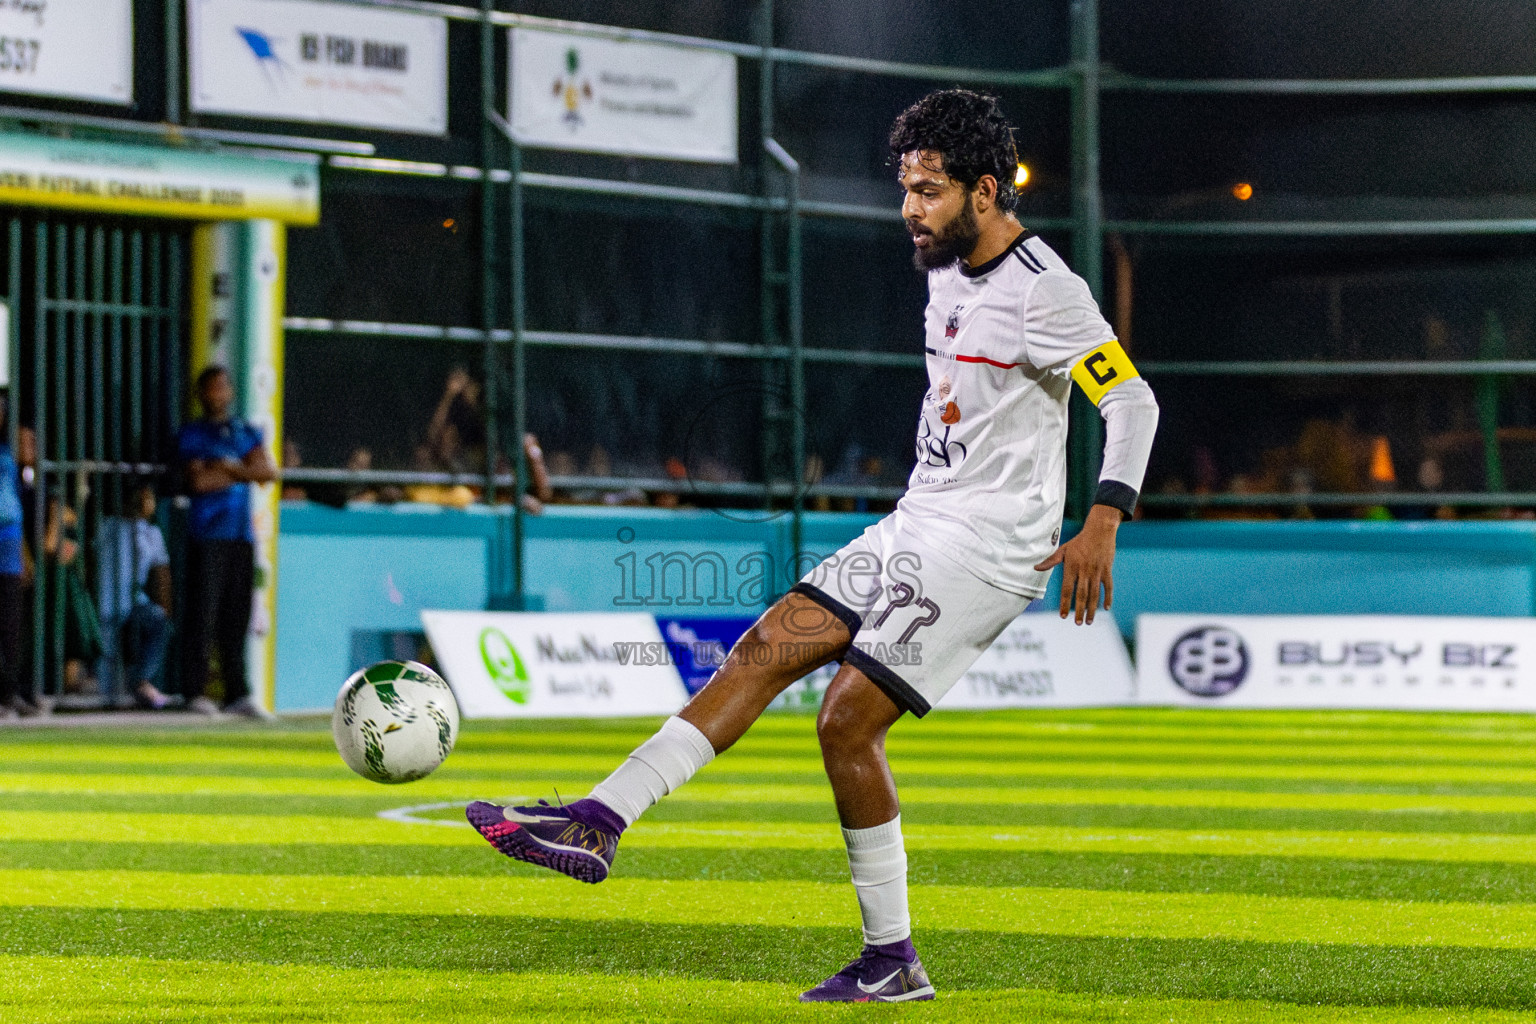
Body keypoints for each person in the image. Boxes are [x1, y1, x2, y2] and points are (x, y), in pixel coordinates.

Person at [464, 90, 1160, 1003]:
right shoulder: (943, 270)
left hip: (989, 548)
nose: (910, 209)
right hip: (920, 520)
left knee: (844, 720)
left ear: (986, 191)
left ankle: (893, 959)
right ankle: (601, 818)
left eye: (930, 191)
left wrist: (1101, 520)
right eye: (906, 188)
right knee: (764, 649)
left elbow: (1132, 401)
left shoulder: (1047, 290)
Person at [178, 366, 276, 719]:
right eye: (212, 388)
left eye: (224, 387)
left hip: (241, 535)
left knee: (237, 616)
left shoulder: (244, 430)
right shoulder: (193, 434)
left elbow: (267, 473)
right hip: (208, 533)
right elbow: (199, 483)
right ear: (202, 395)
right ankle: (194, 691)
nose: (219, 394)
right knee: (203, 614)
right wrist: (240, 470)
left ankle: (238, 692)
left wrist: (229, 469)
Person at [97, 482, 174, 709]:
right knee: (106, 651)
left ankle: (139, 680)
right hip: (106, 600)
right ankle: (107, 698)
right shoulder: (108, 526)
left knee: (158, 622)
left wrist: (166, 606)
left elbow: (162, 574)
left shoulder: (151, 533)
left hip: (134, 602)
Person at [0, 401, 33, 719]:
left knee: (11, 626)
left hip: (8, 548)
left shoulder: (10, 458)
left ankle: (10, 693)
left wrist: (23, 553)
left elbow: (13, 510)